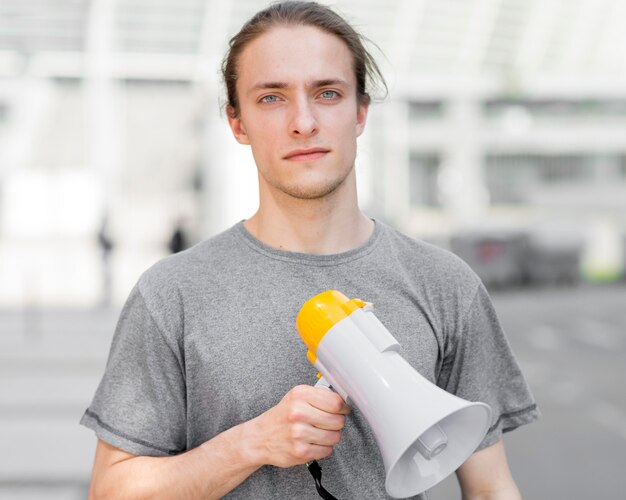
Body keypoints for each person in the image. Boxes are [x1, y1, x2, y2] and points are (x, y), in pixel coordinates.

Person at [81, 2, 539, 499]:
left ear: (360, 112)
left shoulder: (445, 285)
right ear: (237, 123)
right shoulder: (172, 294)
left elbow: (491, 488)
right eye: (272, 98)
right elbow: (111, 491)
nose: (303, 122)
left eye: (327, 93)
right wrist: (250, 444)